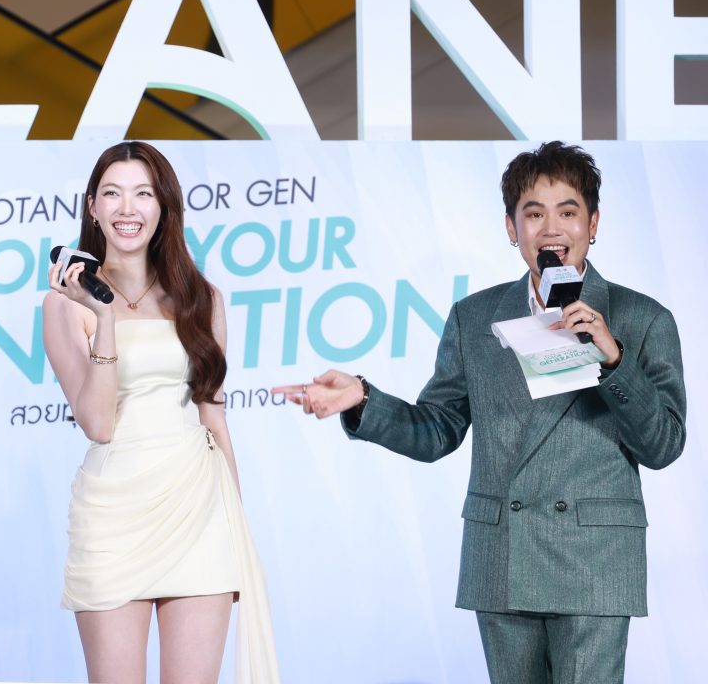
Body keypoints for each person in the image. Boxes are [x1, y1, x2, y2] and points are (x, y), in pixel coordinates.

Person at [275, 141, 686, 684]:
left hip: (596, 559)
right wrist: (365, 400)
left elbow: (663, 446)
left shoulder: (643, 318)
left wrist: (614, 360)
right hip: (504, 555)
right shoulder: (474, 317)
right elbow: (437, 430)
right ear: (512, 228)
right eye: (533, 214)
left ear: (593, 224)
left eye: (568, 212)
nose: (551, 229)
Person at [44, 141, 278, 683]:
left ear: (164, 206)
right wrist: (103, 316)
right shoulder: (64, 304)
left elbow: (214, 417)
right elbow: (99, 423)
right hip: (113, 513)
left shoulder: (202, 297)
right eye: (113, 194)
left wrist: (237, 530)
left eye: (143, 194)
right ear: (92, 207)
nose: (128, 209)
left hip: (198, 508)